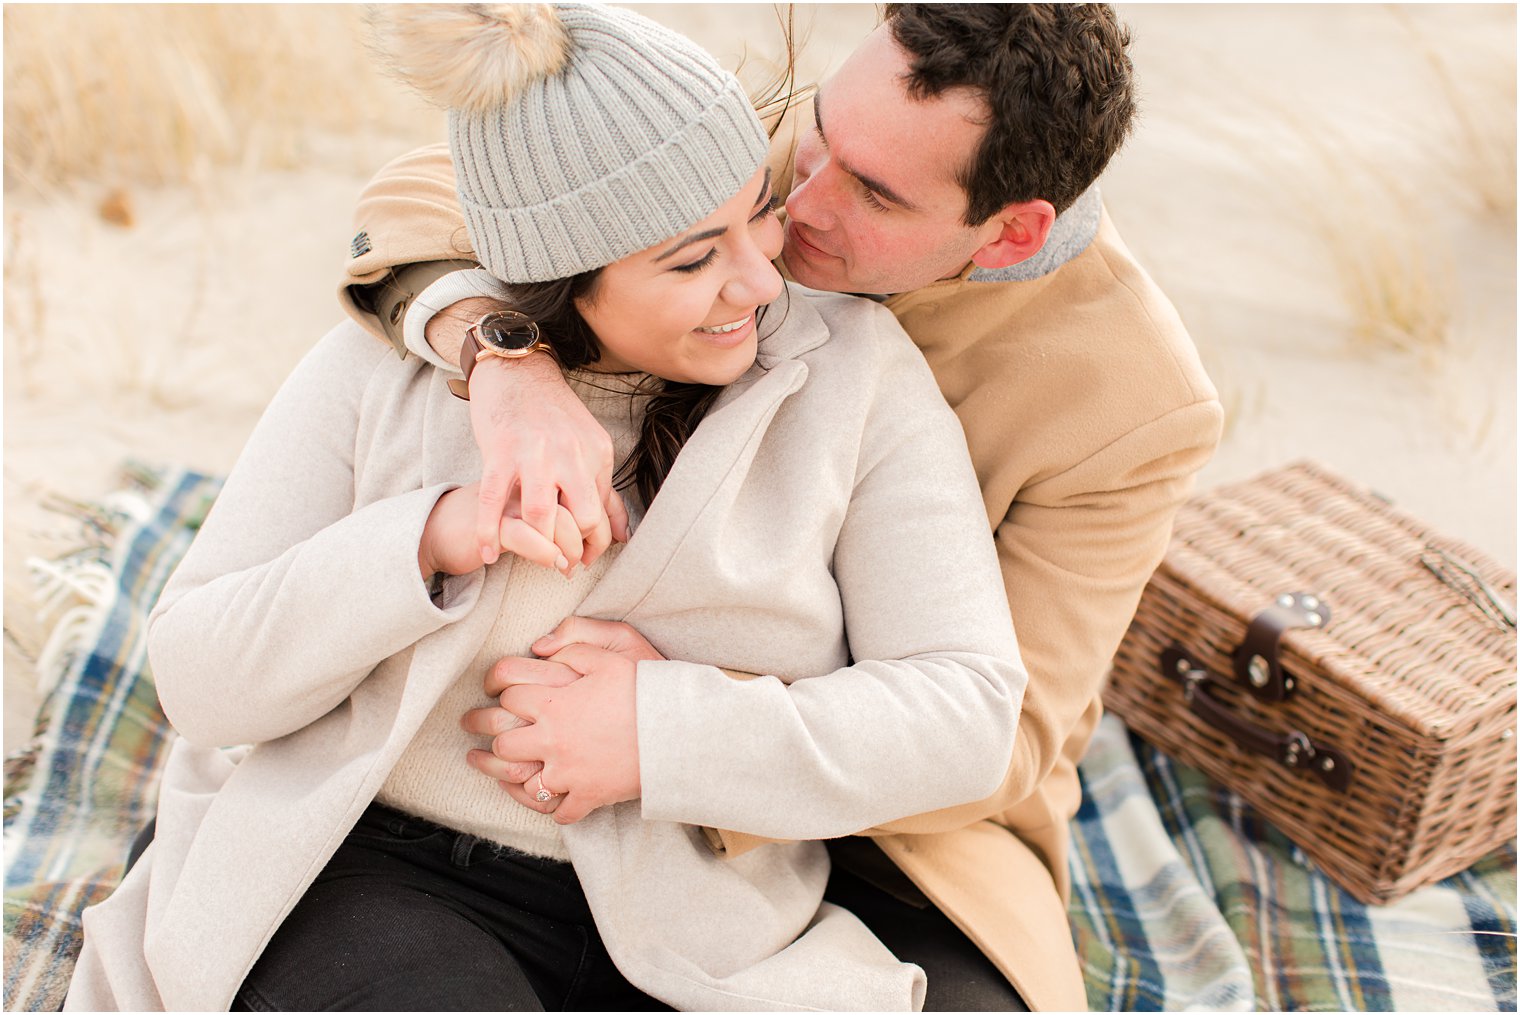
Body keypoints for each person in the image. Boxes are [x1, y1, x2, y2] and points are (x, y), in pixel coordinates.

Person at [63, 4, 1027, 1011]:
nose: (758, 278)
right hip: (383, 877)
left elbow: (963, 711)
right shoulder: (385, 368)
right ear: (566, 279)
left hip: (709, 923)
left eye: (761, 209)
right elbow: (199, 677)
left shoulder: (854, 375)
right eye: (690, 260)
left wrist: (664, 732)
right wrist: (421, 541)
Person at [340, 4, 1225, 1010]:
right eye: (818, 131)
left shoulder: (1137, 404)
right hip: (546, 755)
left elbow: (1005, 738)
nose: (799, 201)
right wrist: (501, 355)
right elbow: (425, 186)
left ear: (1011, 230)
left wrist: (675, 719)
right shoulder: (791, 145)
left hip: (888, 836)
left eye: (875, 197)